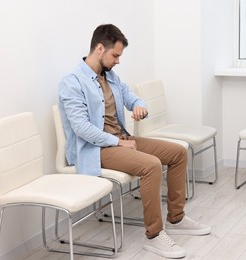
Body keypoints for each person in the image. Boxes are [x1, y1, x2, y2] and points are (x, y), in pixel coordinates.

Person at [58, 24, 211, 259]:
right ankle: (154, 236)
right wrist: (117, 143)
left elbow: (132, 97)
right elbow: (81, 128)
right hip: (94, 148)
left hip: (120, 140)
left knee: (178, 153)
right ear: (100, 48)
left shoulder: (111, 77)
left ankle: (176, 218)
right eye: (115, 55)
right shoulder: (72, 82)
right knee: (151, 165)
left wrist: (140, 106)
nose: (118, 61)